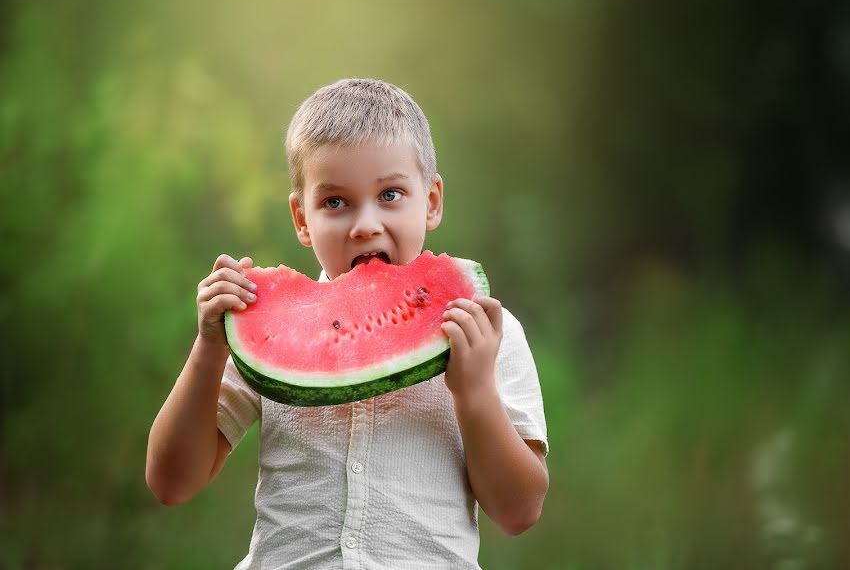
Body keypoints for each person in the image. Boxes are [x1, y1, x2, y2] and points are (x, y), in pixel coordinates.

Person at [146, 78, 549, 569]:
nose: (365, 225)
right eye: (335, 202)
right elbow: (171, 482)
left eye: (391, 194)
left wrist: (475, 392)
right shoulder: (268, 325)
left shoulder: (485, 331)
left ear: (433, 200)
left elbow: (520, 510)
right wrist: (209, 349)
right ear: (301, 219)